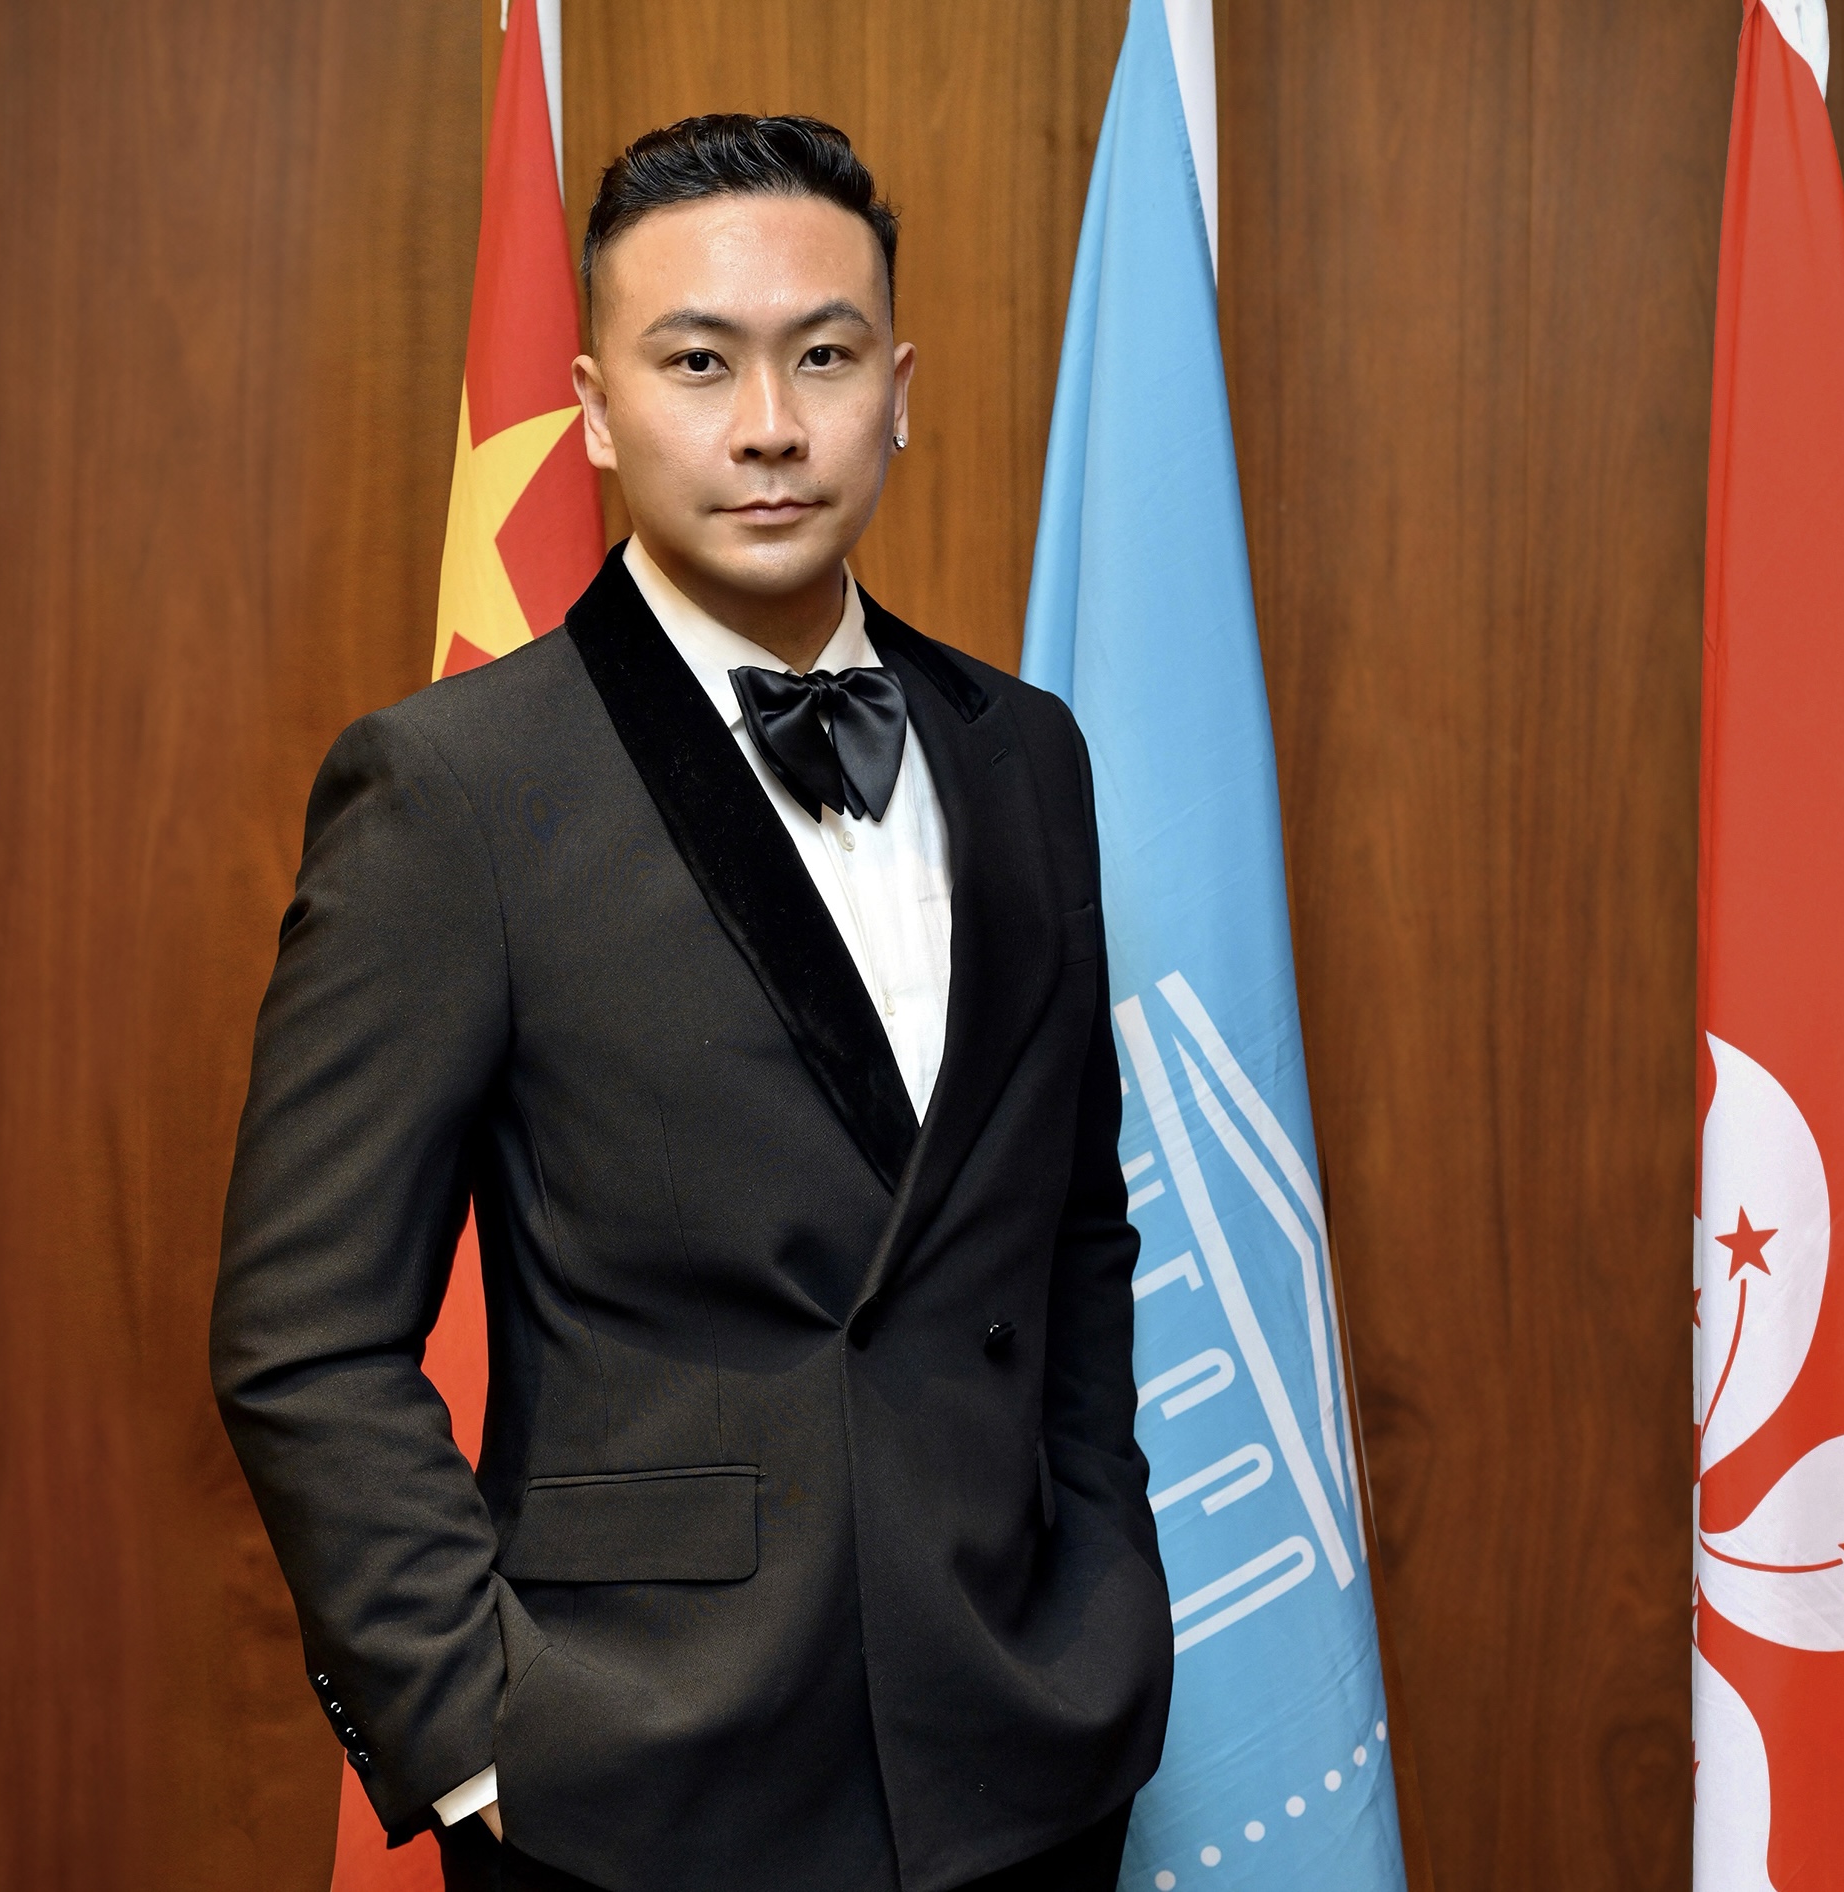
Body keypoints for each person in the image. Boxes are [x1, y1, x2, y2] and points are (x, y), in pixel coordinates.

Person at [211, 114, 1171, 1892]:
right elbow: (305, 1337)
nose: (769, 426)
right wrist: (474, 1740)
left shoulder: (1027, 753)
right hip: (632, 1788)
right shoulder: (454, 789)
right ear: (593, 408)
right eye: (698, 362)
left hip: (1025, 1761)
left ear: (899, 388)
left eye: (824, 357)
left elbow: (1073, 1234)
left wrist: (1109, 1605)